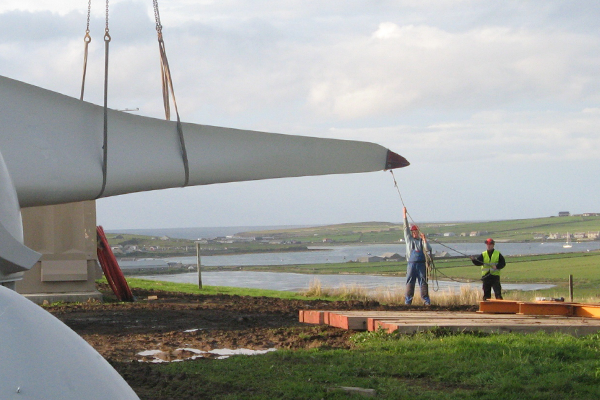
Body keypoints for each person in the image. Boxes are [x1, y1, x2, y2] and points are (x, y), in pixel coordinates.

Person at [402, 207, 432, 305]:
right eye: (413, 232)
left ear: (418, 232)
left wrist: (424, 240)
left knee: (423, 282)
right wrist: (404, 215)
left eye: (416, 232)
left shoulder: (421, 242)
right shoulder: (409, 240)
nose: (414, 233)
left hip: (421, 265)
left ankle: (426, 301)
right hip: (411, 264)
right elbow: (405, 228)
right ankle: (408, 301)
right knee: (410, 282)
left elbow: (428, 249)